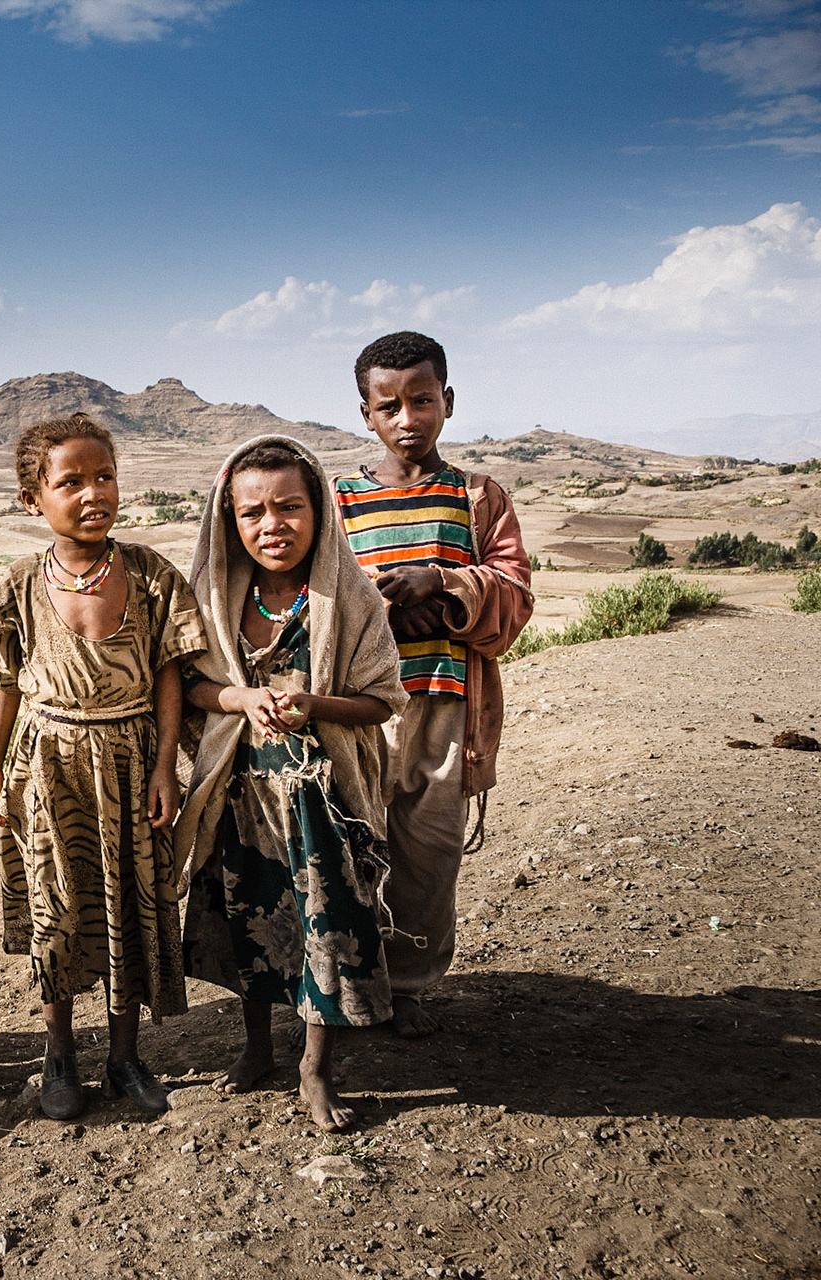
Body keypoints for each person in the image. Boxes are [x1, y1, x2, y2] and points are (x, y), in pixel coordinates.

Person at [0, 414, 207, 1120]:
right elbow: (3, 682)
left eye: (105, 477)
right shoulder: (17, 585)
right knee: (58, 910)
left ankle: (126, 1057)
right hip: (49, 769)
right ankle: (59, 1054)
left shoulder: (152, 575)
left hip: (131, 763)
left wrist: (166, 765)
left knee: (132, 905)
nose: (93, 492)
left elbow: (168, 673)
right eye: (71, 481)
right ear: (33, 498)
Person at [175, 437, 407, 1131]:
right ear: (229, 521)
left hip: (321, 805)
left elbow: (382, 700)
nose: (271, 525)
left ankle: (314, 1068)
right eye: (253, 513)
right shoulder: (214, 600)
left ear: (320, 511)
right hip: (241, 797)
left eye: (289, 507)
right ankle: (255, 1049)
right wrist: (241, 700)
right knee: (251, 922)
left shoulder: (351, 599)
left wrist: (313, 706)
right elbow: (187, 682)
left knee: (324, 930)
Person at [335, 331, 534, 1038]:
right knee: (351, 846)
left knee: (427, 851)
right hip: (357, 712)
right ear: (366, 414)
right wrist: (375, 599)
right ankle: (348, 984)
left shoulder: (478, 498)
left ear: (447, 401)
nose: (407, 418)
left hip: (446, 705)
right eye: (389, 405)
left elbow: (513, 595)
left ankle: (410, 984)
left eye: (422, 400)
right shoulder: (341, 502)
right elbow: (313, 595)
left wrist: (444, 584)